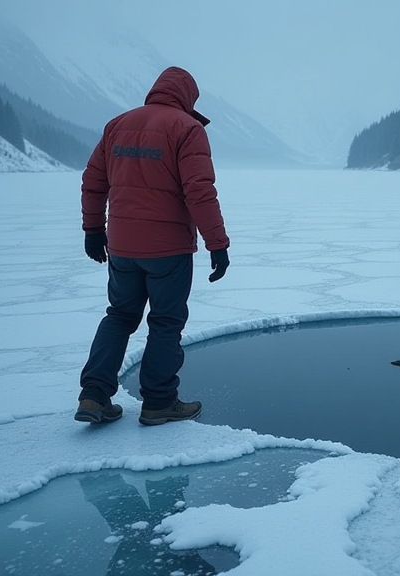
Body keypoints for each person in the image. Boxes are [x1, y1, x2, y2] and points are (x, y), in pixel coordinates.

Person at [75, 66, 230, 426]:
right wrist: (217, 244)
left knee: (119, 316)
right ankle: (159, 402)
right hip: (168, 251)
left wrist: (93, 230)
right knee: (165, 322)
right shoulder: (187, 129)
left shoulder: (118, 125)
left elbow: (93, 182)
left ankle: (94, 395)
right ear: (188, 97)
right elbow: (200, 191)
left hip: (123, 248)